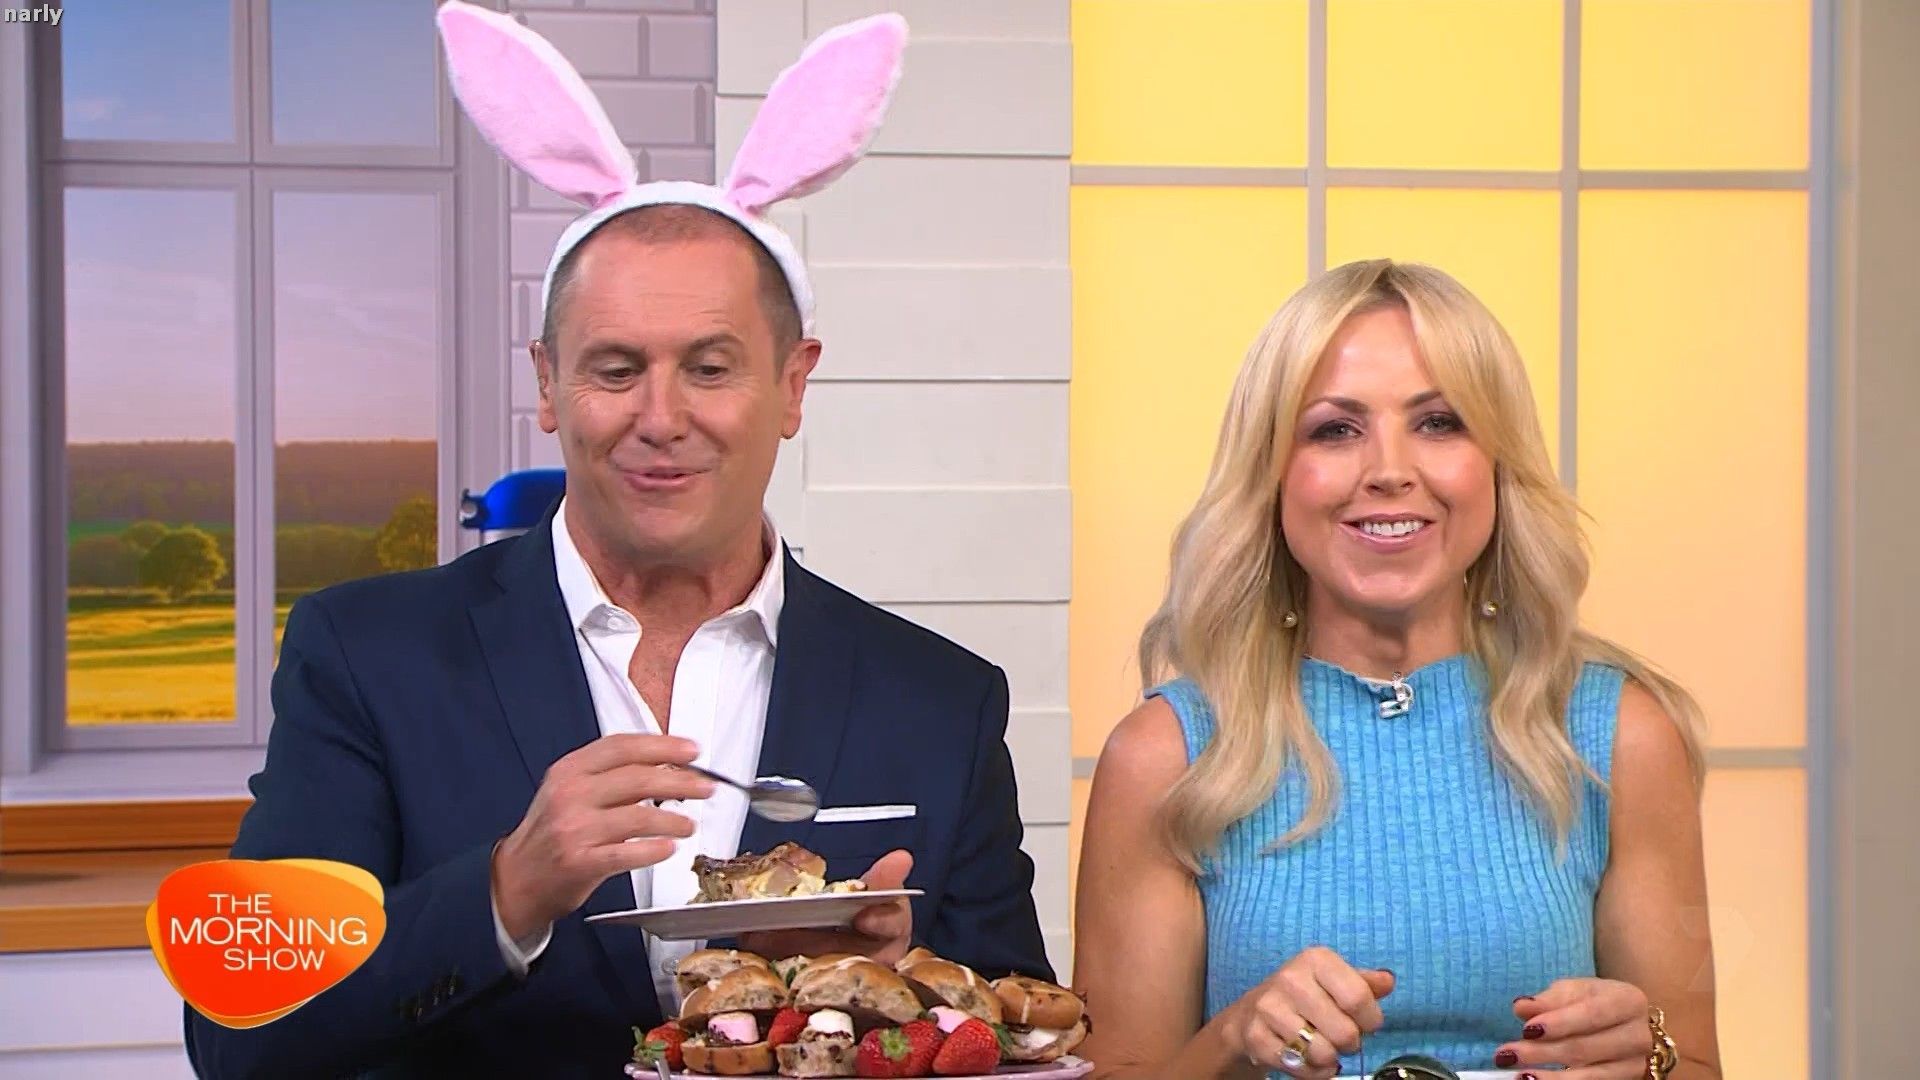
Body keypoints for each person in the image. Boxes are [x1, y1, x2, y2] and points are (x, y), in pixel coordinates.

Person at [184, 7, 1049, 1077]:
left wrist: (894, 988)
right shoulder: (369, 658)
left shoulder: (940, 702)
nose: (661, 417)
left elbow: (1021, 1040)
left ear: (792, 386)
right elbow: (240, 1033)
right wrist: (506, 892)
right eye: (615, 368)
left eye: (711, 368)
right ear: (549, 385)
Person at [1071, 259, 1720, 1079]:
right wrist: (1236, 1040)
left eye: (1440, 422)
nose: (1389, 469)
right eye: (1335, 430)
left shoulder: (1619, 736)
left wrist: (1650, 1062)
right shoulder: (1166, 754)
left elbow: (1695, 1066)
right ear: (1273, 474)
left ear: (1498, 466)